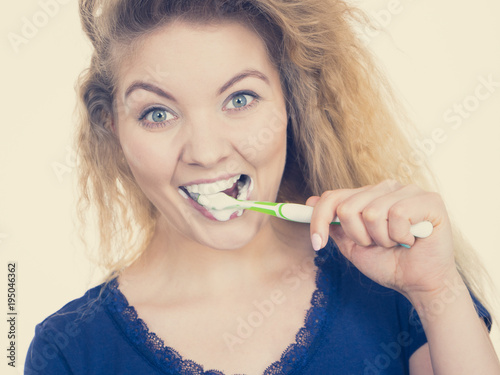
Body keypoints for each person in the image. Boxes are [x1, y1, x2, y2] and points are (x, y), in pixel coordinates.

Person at [25, 0, 500, 374]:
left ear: (290, 103)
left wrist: (436, 289)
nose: (206, 152)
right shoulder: (69, 352)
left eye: (240, 98)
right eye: (157, 113)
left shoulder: (394, 282)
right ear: (113, 129)